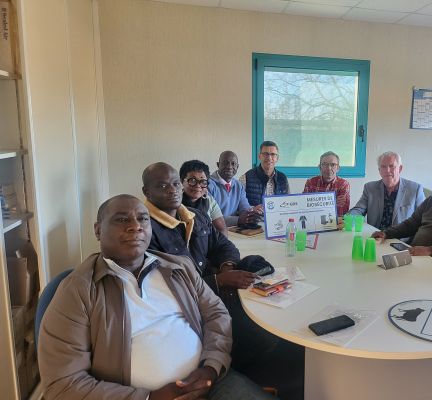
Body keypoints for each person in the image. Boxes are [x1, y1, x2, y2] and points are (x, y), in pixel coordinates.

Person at [38, 194, 276, 400]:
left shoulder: (179, 267)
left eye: (143, 218)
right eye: (121, 219)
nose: (135, 226)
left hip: (210, 383)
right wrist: (149, 397)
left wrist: (211, 367)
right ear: (98, 230)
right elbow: (63, 384)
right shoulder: (77, 291)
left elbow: (217, 314)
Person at [142, 162, 254, 294]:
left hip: (213, 290)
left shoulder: (196, 216)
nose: (173, 190)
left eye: (176, 184)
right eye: (162, 186)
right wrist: (219, 280)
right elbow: (163, 286)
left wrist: (227, 268)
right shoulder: (143, 231)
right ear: (146, 192)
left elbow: (223, 245)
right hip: (188, 300)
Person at [349, 151, 424, 229]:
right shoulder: (370, 188)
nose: (387, 170)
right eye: (383, 166)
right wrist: (347, 219)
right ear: (379, 170)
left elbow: (423, 218)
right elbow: (359, 209)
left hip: (402, 235)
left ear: (400, 168)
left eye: (391, 166)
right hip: (375, 234)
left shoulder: (415, 189)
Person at [209, 151, 261, 226]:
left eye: (233, 164)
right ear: (218, 165)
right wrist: (238, 220)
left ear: (237, 167)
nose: (229, 167)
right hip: (213, 230)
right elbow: (210, 217)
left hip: (233, 230)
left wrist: (253, 212)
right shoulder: (208, 185)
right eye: (225, 163)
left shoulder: (238, 186)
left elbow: (244, 209)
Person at [180, 159, 228, 236]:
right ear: (182, 181)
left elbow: (222, 230)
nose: (198, 185)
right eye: (192, 180)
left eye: (203, 181)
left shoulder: (209, 201)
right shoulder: (175, 203)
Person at [239, 141, 289, 210]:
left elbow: (287, 203)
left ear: (277, 158)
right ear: (259, 156)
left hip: (277, 216)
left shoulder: (282, 178)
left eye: (273, 154)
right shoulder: (246, 177)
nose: (269, 158)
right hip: (254, 216)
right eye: (266, 154)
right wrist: (253, 209)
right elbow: (239, 205)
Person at [303, 151, 351, 217]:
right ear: (320, 167)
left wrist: (316, 205)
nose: (329, 168)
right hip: (313, 220)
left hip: (335, 221)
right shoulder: (310, 182)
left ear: (338, 168)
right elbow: (305, 207)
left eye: (333, 165)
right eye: (325, 164)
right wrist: (333, 203)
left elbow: (341, 211)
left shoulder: (343, 184)